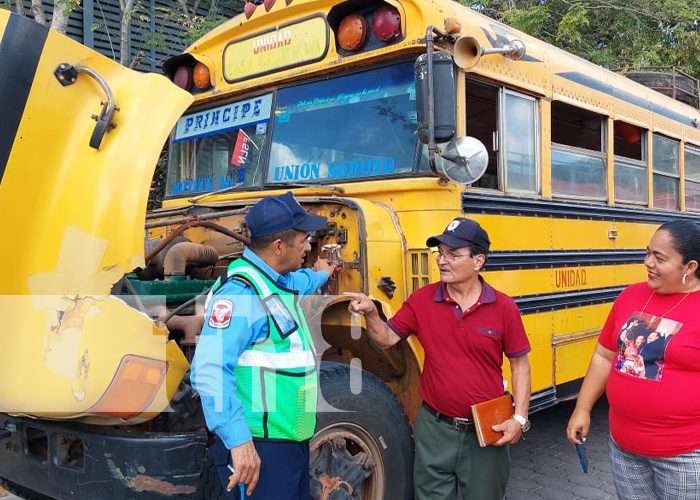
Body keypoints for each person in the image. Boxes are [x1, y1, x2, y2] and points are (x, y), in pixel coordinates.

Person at [345, 217, 532, 500]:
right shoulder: (421, 300)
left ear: (478, 260)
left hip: (486, 432)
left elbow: (520, 365)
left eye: (453, 255)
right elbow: (386, 339)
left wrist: (519, 418)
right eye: (440, 253)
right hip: (434, 429)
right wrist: (372, 313)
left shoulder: (503, 307)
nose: (442, 261)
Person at [191, 192, 334, 499]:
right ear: (279, 246)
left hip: (289, 443)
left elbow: (301, 283)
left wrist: (323, 273)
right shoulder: (241, 294)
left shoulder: (276, 280)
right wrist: (239, 442)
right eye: (305, 239)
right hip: (258, 449)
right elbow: (208, 370)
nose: (309, 247)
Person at [567, 220, 700, 500]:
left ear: (690, 267)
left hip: (685, 454)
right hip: (624, 447)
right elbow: (604, 355)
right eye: (647, 252)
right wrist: (582, 408)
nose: (647, 262)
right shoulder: (631, 295)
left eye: (659, 258)